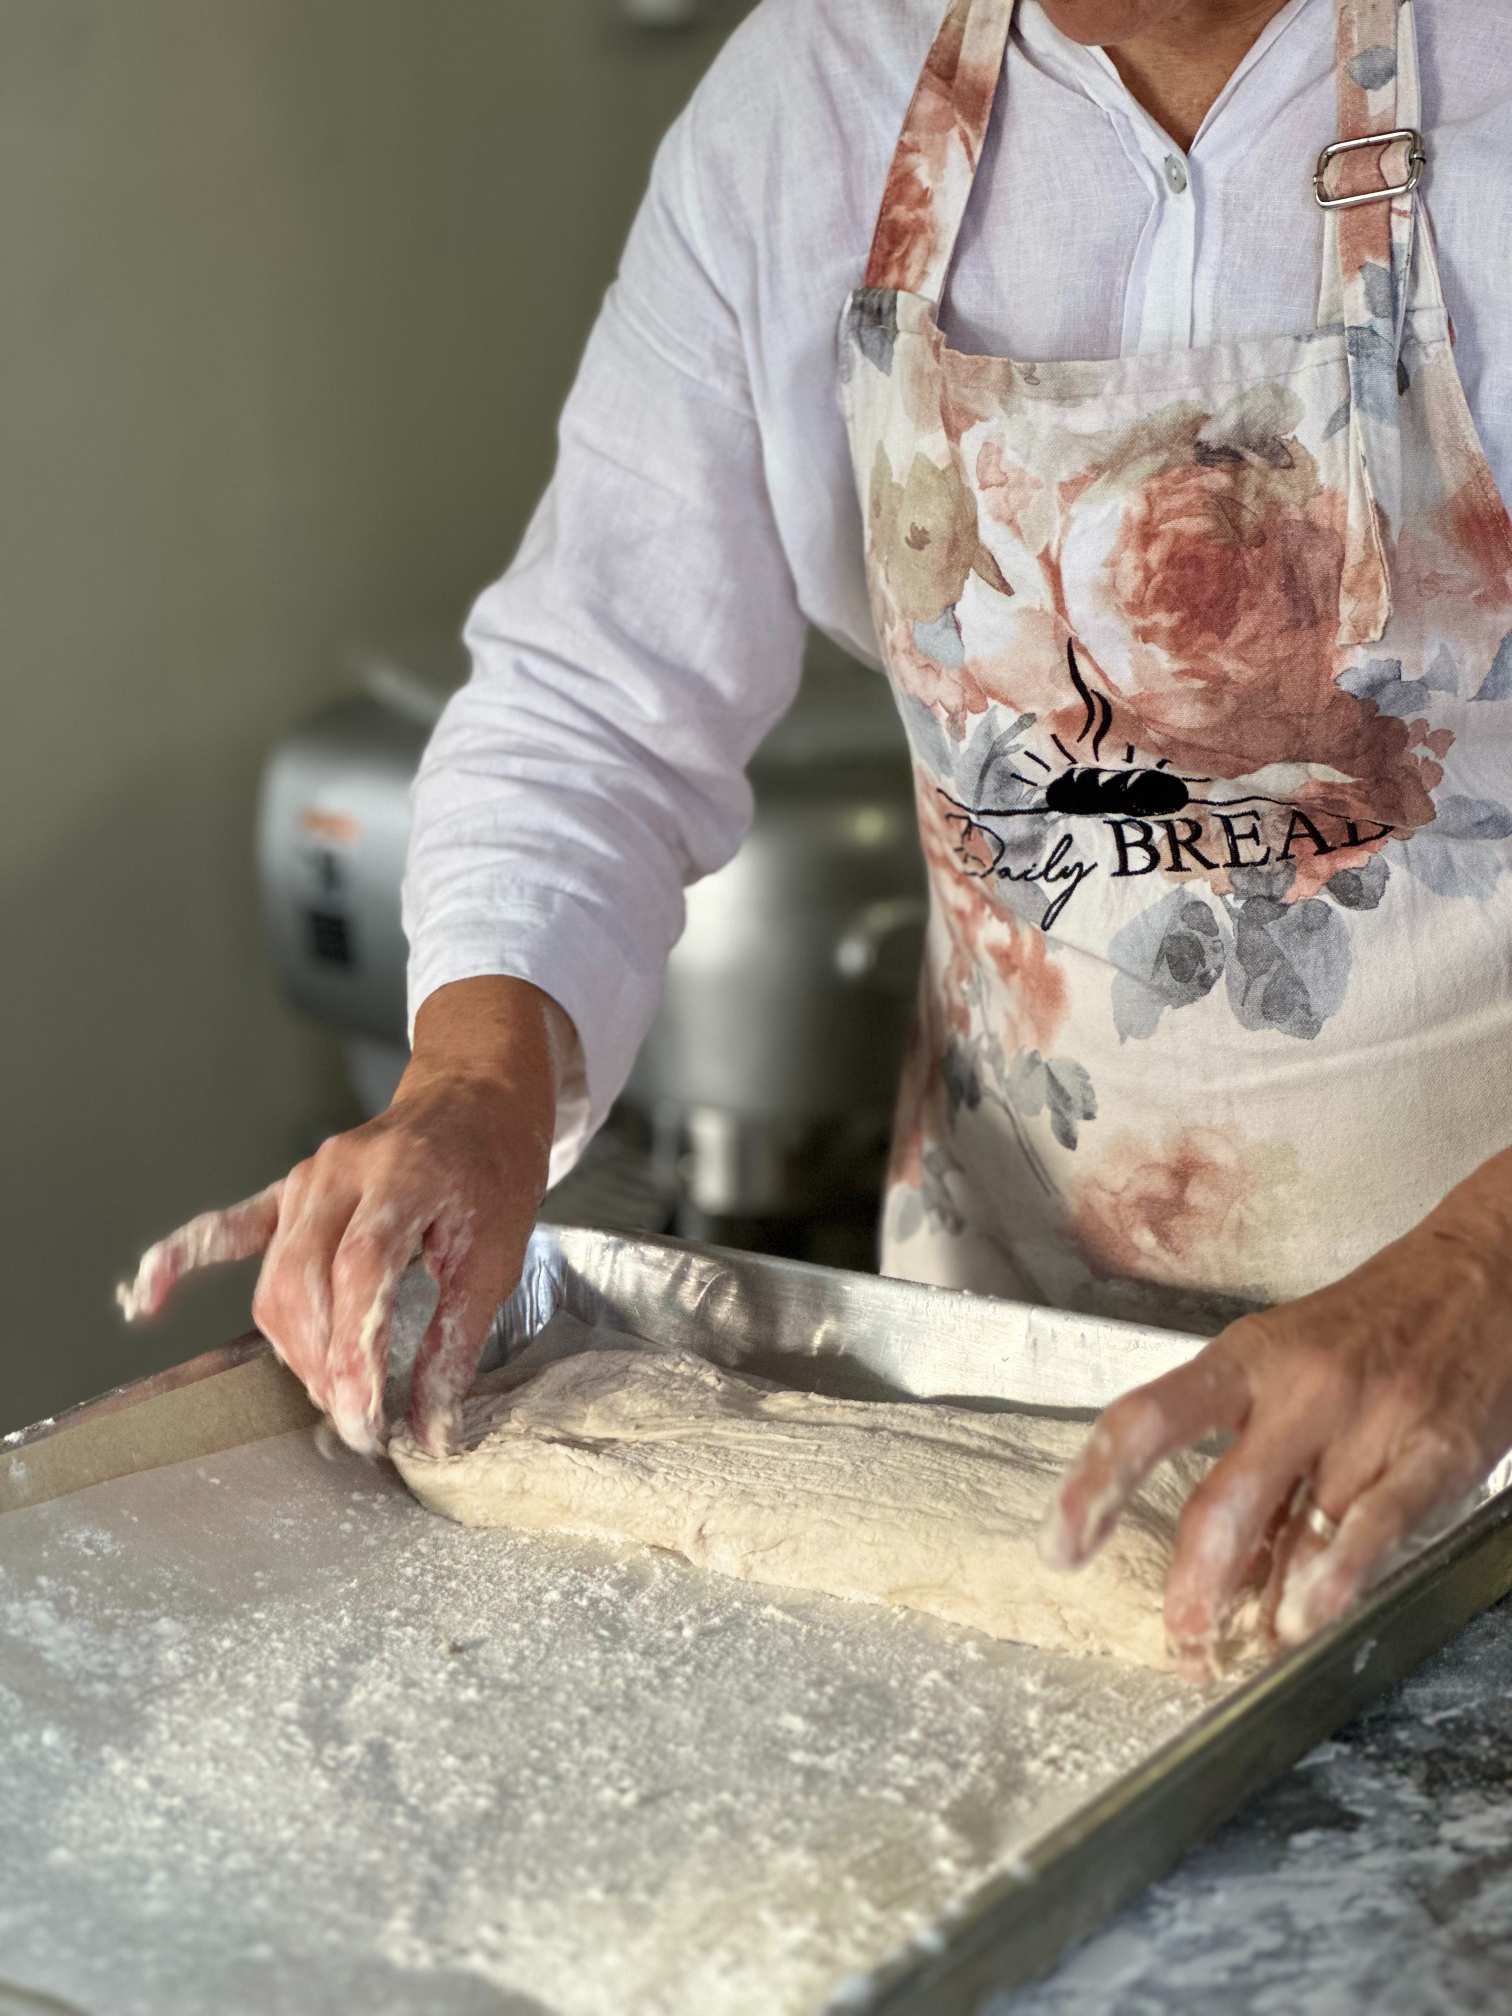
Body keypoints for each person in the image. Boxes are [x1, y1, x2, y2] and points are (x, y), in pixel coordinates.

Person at [122, 0, 1512, 1673]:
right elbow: (596, 697)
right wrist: (473, 1084)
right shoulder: (820, 95)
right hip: (1012, 1367)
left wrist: (1481, 1282)